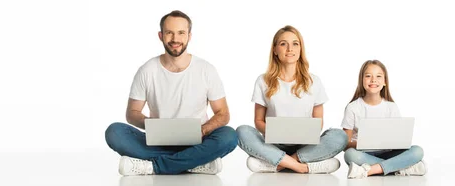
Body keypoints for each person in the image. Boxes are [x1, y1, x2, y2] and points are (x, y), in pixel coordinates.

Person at [104, 10, 238, 176]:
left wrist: (203, 129)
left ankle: (153, 167)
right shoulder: (147, 70)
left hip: (197, 141)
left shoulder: (206, 70)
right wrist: (154, 126)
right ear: (161, 36)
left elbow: (223, 113)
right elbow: (132, 113)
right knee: (114, 132)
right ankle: (195, 162)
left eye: (181, 33)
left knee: (230, 136)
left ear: (189, 36)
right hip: (158, 141)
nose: (175, 39)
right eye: (169, 33)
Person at [236, 25, 348, 174]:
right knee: (241, 131)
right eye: (283, 44)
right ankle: (303, 167)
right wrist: (276, 131)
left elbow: (318, 121)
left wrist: (303, 132)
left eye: (295, 44)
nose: (290, 49)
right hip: (274, 145)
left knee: (339, 136)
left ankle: (280, 163)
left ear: (300, 49)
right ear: (275, 50)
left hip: (306, 145)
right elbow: (258, 121)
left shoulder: (314, 81)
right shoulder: (263, 81)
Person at [343, 60, 426, 179]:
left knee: (418, 151)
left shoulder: (391, 107)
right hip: (364, 153)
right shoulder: (353, 107)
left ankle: (371, 170)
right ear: (361, 80)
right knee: (350, 155)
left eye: (378, 76)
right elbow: (346, 144)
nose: (373, 80)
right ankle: (400, 167)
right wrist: (363, 143)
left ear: (385, 82)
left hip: (389, 153)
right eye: (368, 76)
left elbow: (399, 139)